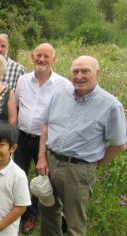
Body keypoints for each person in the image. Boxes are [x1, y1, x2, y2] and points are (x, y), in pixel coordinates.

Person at [36, 56, 127, 236]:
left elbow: (119, 145)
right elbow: (46, 125)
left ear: (97, 73)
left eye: (85, 71)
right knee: (48, 210)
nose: (79, 76)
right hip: (50, 162)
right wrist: (42, 157)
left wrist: (94, 164)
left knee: (74, 222)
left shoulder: (110, 105)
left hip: (78, 171)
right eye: (75, 71)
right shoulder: (61, 94)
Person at [14, 43, 70, 234]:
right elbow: (18, 106)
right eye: (39, 55)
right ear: (32, 57)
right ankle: (19, 210)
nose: (42, 60)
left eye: (46, 56)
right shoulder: (22, 81)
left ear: (54, 59)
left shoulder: (64, 85)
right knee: (19, 175)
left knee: (41, 179)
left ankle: (32, 214)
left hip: (45, 141)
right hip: (21, 137)